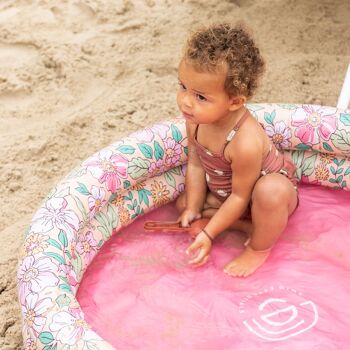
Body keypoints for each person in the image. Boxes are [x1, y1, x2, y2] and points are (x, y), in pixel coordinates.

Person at [175, 23, 298, 278]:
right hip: (228, 197)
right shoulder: (195, 121)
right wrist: (194, 208)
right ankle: (241, 225)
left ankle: (258, 247)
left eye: (200, 96)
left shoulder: (244, 141)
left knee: (271, 191)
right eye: (182, 86)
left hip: (259, 199)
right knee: (183, 204)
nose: (186, 100)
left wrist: (209, 234)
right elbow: (196, 165)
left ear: (235, 102)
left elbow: (242, 196)